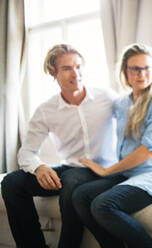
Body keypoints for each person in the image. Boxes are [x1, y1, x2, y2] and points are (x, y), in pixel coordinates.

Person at [1, 44, 118, 248]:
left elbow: (137, 113)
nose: (76, 73)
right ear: (53, 73)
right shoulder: (46, 110)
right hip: (70, 168)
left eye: (78, 66)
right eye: (67, 68)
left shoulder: (106, 97)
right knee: (12, 182)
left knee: (71, 182)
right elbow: (26, 152)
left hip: (102, 170)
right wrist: (39, 167)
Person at [72, 43, 152, 248]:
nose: (141, 74)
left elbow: (148, 150)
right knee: (81, 195)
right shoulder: (122, 102)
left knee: (103, 205)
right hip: (131, 173)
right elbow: (96, 111)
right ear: (125, 71)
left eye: (146, 68)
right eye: (135, 68)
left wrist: (108, 171)